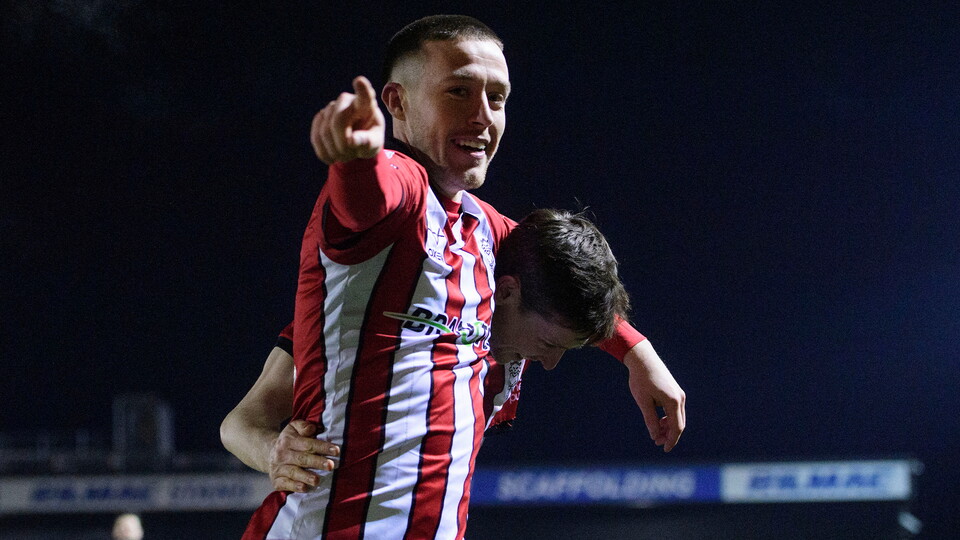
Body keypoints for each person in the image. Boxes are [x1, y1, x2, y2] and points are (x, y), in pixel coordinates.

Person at [226, 15, 685, 540]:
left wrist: (638, 354)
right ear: (396, 103)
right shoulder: (400, 198)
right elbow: (372, 196)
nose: (483, 116)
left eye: (498, 97)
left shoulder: (488, 232)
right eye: (459, 92)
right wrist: (357, 158)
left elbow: (567, 286)